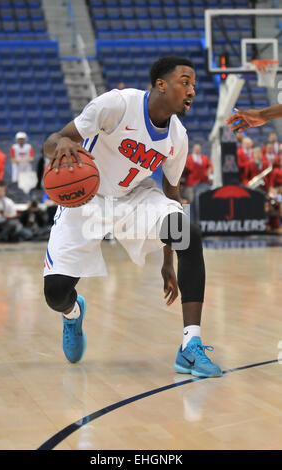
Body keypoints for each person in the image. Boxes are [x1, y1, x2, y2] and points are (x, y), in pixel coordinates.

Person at [43, 56, 222, 378]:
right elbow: (53, 140)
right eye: (185, 82)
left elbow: (172, 195)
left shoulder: (177, 137)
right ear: (161, 84)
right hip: (84, 200)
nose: (192, 90)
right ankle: (72, 314)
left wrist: (169, 259)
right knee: (55, 293)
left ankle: (190, 347)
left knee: (188, 232)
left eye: (193, 84)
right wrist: (63, 144)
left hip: (134, 199)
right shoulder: (118, 104)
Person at [181, 143, 213, 221]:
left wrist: (209, 171)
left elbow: (210, 166)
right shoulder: (188, 158)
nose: (197, 150)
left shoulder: (204, 158)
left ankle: (203, 220)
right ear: (193, 150)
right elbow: (184, 169)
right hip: (191, 183)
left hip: (203, 182)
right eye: (196, 149)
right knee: (192, 202)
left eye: (198, 149)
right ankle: (192, 221)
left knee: (203, 200)